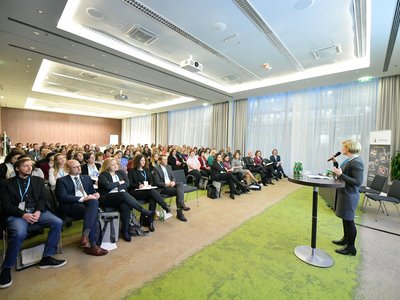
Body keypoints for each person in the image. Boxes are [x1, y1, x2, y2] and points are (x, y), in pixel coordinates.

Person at [0, 157, 67, 289]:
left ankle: (47, 257)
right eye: (25, 166)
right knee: (19, 233)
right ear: (17, 168)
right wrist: (23, 214)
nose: (29, 168)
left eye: (30, 165)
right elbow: (6, 206)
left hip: (36, 212)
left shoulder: (38, 180)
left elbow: (43, 198)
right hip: (17, 215)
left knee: (57, 222)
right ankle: (6, 268)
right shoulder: (6, 184)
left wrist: (38, 211)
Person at [55, 160, 107, 256]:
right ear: (68, 169)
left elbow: (91, 192)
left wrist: (96, 194)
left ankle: (86, 238)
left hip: (87, 204)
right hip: (71, 205)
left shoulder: (86, 178)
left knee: (94, 203)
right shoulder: (62, 181)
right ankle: (92, 245)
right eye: (75, 167)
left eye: (79, 166)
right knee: (93, 214)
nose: (79, 168)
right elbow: (63, 197)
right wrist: (82, 198)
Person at [97, 158, 155, 242]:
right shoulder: (103, 175)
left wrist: (116, 187)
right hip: (108, 198)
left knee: (126, 205)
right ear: (107, 166)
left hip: (122, 197)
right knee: (123, 194)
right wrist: (119, 183)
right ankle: (144, 211)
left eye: (116, 164)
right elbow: (107, 186)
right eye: (112, 165)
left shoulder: (120, 172)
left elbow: (127, 183)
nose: (115, 166)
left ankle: (125, 231)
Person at [331, 139, 364, 256]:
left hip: (350, 195)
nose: (341, 149)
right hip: (345, 193)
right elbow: (342, 171)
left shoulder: (356, 162)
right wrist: (335, 163)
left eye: (343, 147)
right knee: (345, 219)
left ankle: (351, 248)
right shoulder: (349, 159)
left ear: (349, 148)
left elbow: (358, 182)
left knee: (349, 221)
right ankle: (346, 239)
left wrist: (340, 175)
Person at [127, 154, 171, 230]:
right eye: (141, 160)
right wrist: (138, 185)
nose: (143, 162)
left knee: (152, 199)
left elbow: (151, 180)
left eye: (144, 160)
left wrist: (149, 184)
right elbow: (130, 184)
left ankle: (150, 222)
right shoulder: (132, 171)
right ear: (137, 161)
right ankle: (164, 206)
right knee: (151, 192)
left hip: (146, 190)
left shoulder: (146, 170)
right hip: (135, 192)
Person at [153, 155, 190, 222]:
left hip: (171, 184)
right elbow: (157, 182)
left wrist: (173, 181)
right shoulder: (156, 169)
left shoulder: (169, 167)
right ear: (160, 161)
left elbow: (173, 177)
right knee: (178, 191)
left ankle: (181, 205)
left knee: (180, 184)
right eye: (164, 159)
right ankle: (180, 212)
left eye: (166, 159)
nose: (166, 161)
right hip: (164, 187)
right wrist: (167, 184)